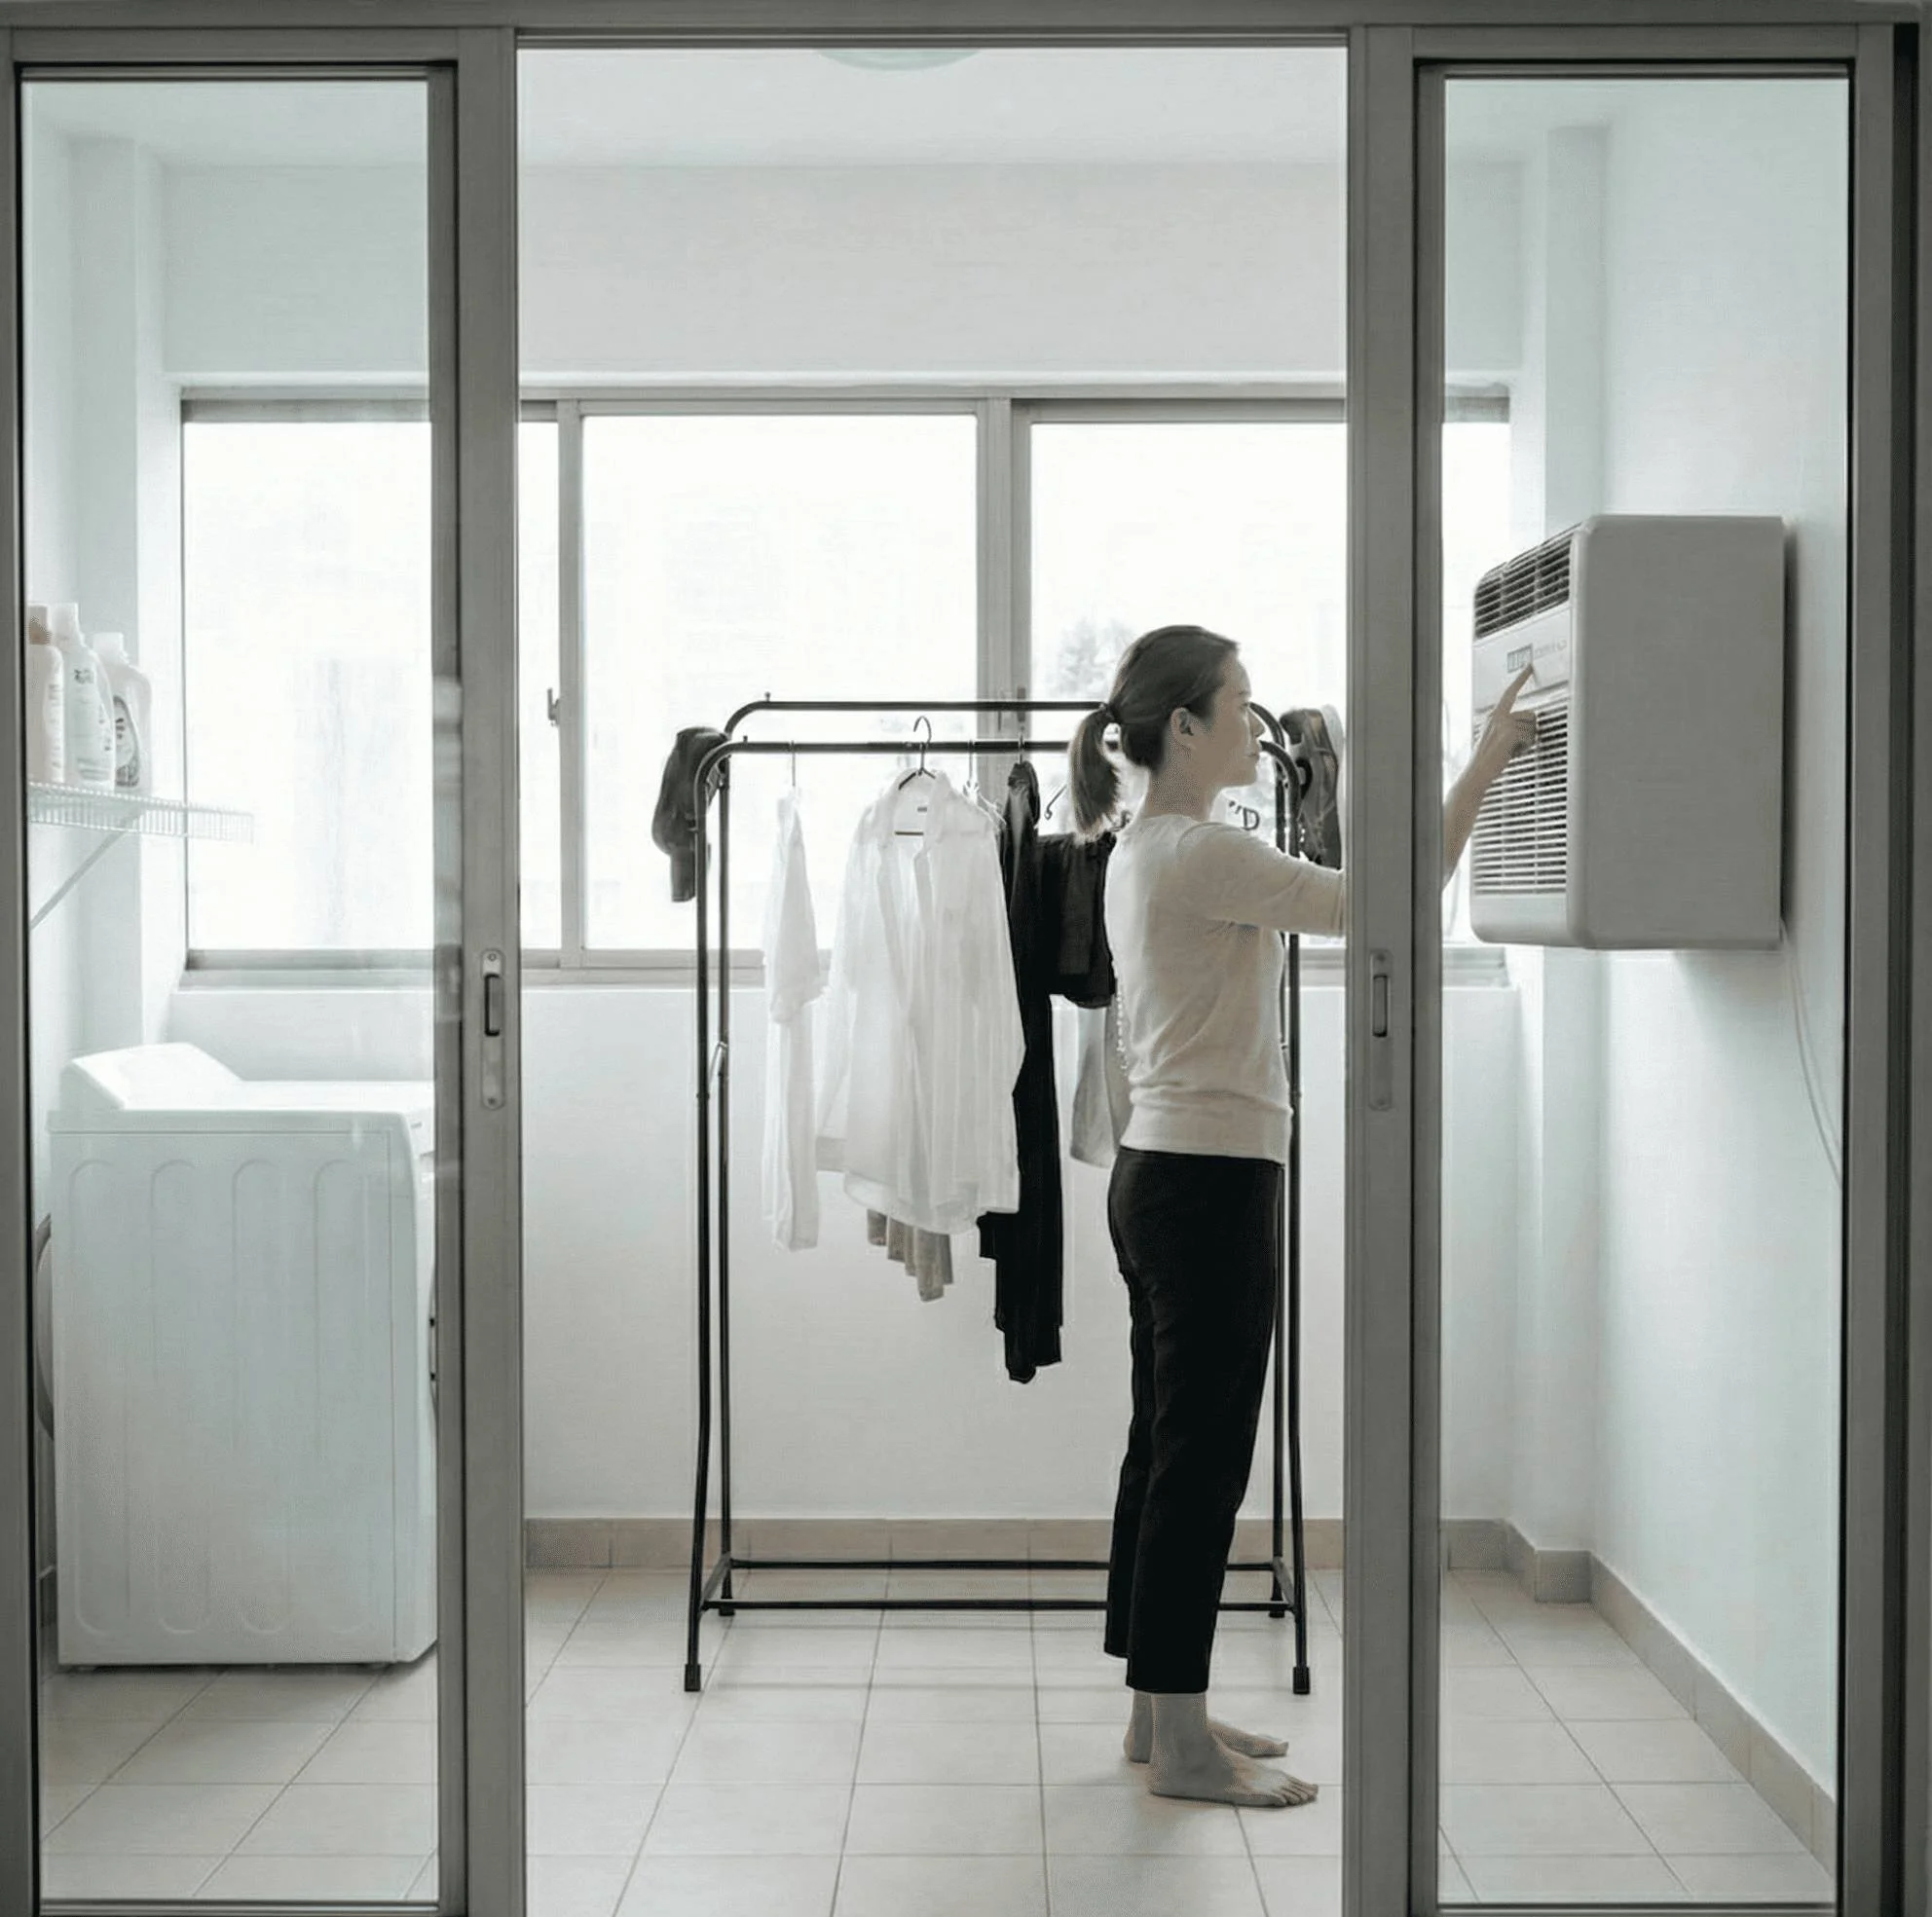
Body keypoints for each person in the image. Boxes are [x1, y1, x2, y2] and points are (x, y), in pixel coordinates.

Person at [1066, 624, 1536, 1810]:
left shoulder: (1148, 846)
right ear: (1184, 728)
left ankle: (1155, 1709)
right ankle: (1178, 1745)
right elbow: (1379, 906)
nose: (1254, 715)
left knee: (1163, 1446)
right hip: (1206, 1180)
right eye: (1238, 699)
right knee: (1201, 1460)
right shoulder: (1192, 852)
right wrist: (1478, 766)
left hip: (1164, 1176)